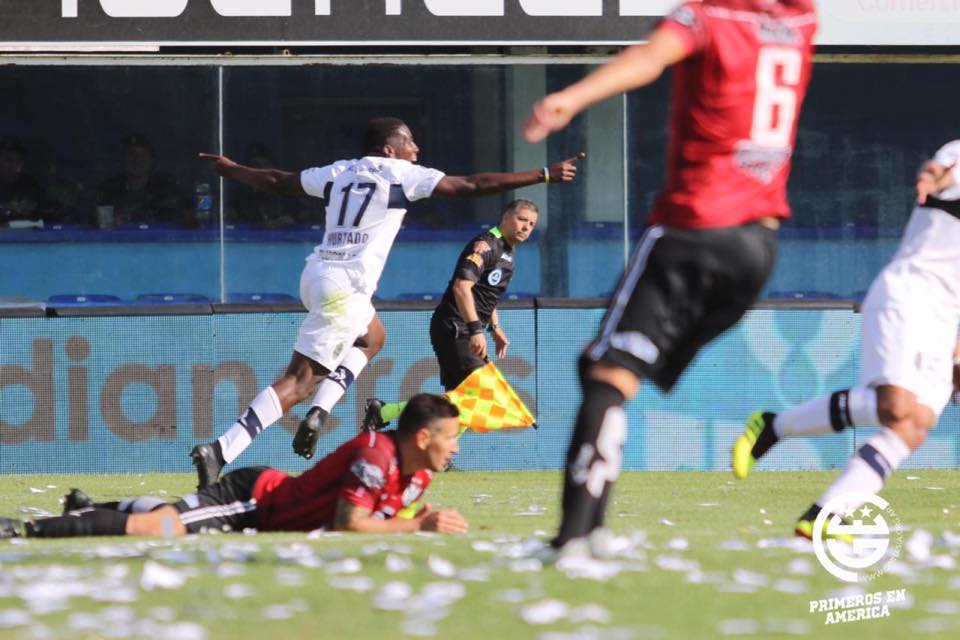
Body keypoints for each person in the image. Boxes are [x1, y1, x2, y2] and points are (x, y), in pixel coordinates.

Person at [522, 0, 817, 555]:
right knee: (614, 371)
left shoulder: (707, 16)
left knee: (606, 371)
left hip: (694, 229)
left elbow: (652, 56)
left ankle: (575, 537)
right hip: (759, 249)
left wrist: (573, 96)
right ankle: (591, 530)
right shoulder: (802, 21)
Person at [191, 117, 583, 489]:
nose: (416, 147)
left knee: (373, 337)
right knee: (297, 381)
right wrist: (542, 174)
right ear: (389, 149)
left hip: (318, 274)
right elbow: (471, 184)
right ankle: (221, 450)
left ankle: (320, 412)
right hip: (345, 287)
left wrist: (233, 169)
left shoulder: (340, 170)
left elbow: (279, 180)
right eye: (409, 140)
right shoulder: (400, 175)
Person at [732, 141, 960, 538]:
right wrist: (931, 176)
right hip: (910, 294)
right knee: (896, 407)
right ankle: (774, 426)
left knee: (917, 421)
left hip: (944, 318)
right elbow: (941, 171)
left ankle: (825, 516)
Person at [0, 394, 468, 539]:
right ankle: (25, 531)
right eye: (451, 438)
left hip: (266, 512)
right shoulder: (377, 455)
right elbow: (351, 524)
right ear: (423, 438)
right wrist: (419, 526)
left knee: (173, 517)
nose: (456, 449)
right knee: (160, 528)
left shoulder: (419, 473)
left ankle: (92, 506)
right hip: (250, 501)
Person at [362, 198, 541, 429]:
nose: (526, 227)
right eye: (522, 220)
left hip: (465, 328)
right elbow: (462, 287)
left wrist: (495, 328)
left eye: (532, 224)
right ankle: (386, 412)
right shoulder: (485, 245)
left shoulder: (508, 252)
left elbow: (485, 293)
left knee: (459, 404)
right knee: (478, 396)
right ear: (506, 217)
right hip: (456, 327)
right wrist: (476, 330)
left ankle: (432, 454)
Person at [96, 133, 183, 227]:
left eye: (143, 155)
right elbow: (100, 222)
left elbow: (178, 218)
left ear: (151, 160)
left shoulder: (167, 188)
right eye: (131, 154)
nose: (137, 160)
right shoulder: (108, 189)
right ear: (123, 159)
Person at [0, 136, 48, 226]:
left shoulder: (30, 185)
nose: (17, 169)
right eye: (8, 160)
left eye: (19, 161)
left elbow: (41, 212)